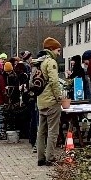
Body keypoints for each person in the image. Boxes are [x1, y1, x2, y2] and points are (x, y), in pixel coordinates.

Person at [34, 37, 66, 167]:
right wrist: (59, 97)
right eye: (58, 50)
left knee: (41, 131)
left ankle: (40, 158)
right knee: (53, 131)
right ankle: (50, 158)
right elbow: (54, 81)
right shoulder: (51, 62)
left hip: (41, 101)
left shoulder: (38, 62)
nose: (59, 53)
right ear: (52, 49)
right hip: (51, 101)